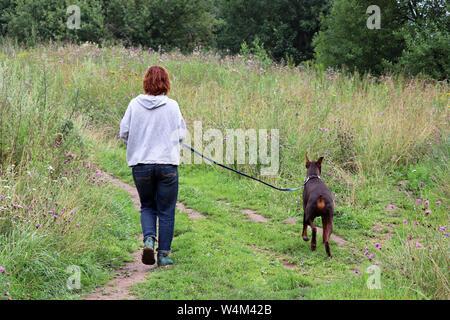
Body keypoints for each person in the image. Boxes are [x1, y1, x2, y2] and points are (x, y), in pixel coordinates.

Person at [119, 66, 186, 266]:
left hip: (141, 165)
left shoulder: (134, 104)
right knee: (166, 210)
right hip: (167, 165)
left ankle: (149, 239)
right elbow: (181, 135)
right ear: (166, 83)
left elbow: (124, 133)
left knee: (147, 205)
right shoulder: (172, 106)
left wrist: (138, 144)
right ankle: (163, 256)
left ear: (146, 82)